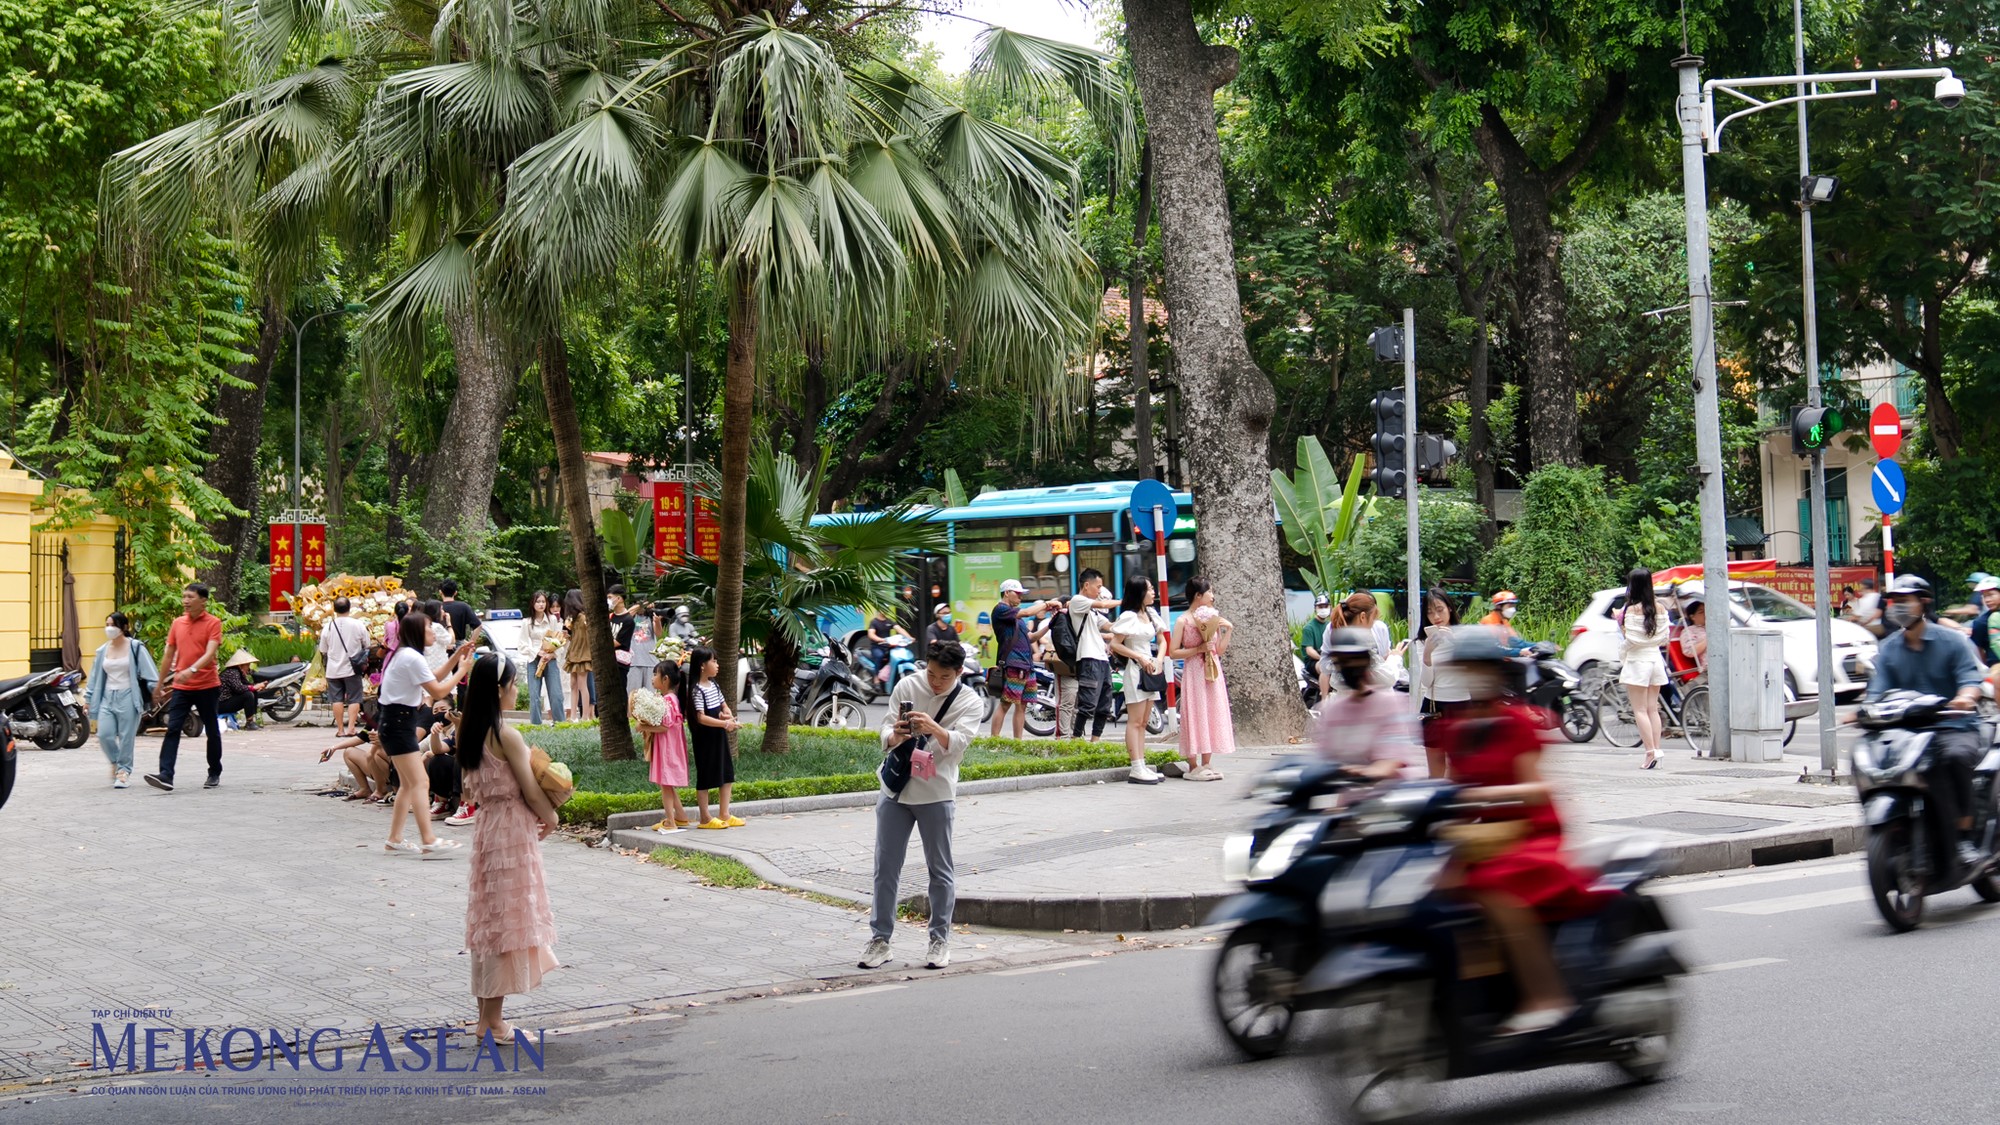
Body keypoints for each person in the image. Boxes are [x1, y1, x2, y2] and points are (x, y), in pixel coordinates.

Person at [1437, 627, 1607, 1036]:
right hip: (1483, 839)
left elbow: (1538, 789)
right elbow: (1449, 789)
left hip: (1531, 834)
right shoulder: (1456, 730)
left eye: (1480, 670)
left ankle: (1546, 996)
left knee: (1497, 888)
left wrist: (1493, 794)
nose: (1474, 679)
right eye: (1467, 671)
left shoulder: (1516, 723)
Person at [454, 652, 561, 1047]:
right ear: (499, 689)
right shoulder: (505, 734)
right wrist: (551, 816)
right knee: (505, 922)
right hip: (511, 830)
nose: (517, 690)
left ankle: (486, 1019)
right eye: (514, 684)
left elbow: (468, 788)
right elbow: (530, 790)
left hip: (487, 829)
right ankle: (495, 1022)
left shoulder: (469, 730)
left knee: (489, 920)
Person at [857, 640, 982, 972]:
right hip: (896, 791)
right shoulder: (908, 685)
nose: (935, 682)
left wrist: (935, 728)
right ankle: (880, 940)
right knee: (885, 868)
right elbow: (884, 727)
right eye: (931, 673)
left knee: (940, 871)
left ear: (959, 672)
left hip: (937, 792)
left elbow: (959, 744)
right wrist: (894, 736)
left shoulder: (970, 701)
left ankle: (939, 939)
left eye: (943, 677)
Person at [1871, 576, 1987, 870]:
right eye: (1894, 602)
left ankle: (1963, 835)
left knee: (1954, 758)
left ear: (1923, 603)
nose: (1898, 607)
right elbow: (1877, 691)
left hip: (1954, 727)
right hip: (1907, 733)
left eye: (1904, 601)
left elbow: (1969, 680)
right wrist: (1862, 709)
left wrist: (1965, 696)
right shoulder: (1888, 648)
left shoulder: (1952, 641)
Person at [379, 613, 477, 855]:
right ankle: (429, 840)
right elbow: (439, 688)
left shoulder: (406, 655)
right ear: (417, 633)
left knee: (408, 784)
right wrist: (463, 668)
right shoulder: (411, 657)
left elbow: (434, 677)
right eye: (429, 628)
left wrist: (456, 656)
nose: (435, 632)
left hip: (395, 723)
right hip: (399, 725)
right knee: (420, 782)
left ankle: (395, 838)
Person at [144, 583, 226, 793]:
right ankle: (166, 775)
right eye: (184, 597)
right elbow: (169, 654)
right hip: (182, 686)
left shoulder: (213, 623)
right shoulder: (177, 623)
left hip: (207, 685)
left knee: (212, 731)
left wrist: (192, 669)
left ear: (203, 600)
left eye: (190, 597)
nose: (186, 601)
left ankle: (214, 771)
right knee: (173, 728)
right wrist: (160, 684)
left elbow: (210, 653)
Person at [1314, 628, 1421, 779]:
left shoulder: (1390, 705)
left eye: (1355, 659)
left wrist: (1358, 772)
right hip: (1349, 794)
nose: (1349, 667)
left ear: (1367, 661)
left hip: (1389, 794)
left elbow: (1389, 762)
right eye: (1342, 661)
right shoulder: (1332, 711)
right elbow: (1323, 757)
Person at [1169, 577, 1234, 781]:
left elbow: (1219, 650)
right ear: (1198, 596)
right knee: (1195, 713)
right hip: (1194, 671)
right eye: (1209, 592)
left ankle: (1206, 762)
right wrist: (1197, 649)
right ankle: (1193, 764)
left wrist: (1227, 630)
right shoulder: (1183, 621)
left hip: (1212, 670)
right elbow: (1173, 652)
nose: (1212, 596)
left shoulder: (1212, 618)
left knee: (1211, 712)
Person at [1108, 575, 1168, 784]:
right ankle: (1136, 767)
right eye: (1150, 589)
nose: (1153, 592)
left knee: (1144, 721)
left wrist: (1159, 660)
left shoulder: (1151, 614)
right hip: (1135, 671)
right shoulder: (1129, 616)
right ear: (1139, 593)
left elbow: (1162, 640)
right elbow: (1115, 644)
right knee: (1135, 721)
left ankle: (1143, 765)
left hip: (1151, 670)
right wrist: (1140, 657)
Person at [87, 612, 157, 789]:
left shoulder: (135, 647)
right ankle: (116, 763)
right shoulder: (102, 650)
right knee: (104, 734)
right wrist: (88, 698)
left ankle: (124, 772)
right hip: (107, 697)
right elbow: (95, 677)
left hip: (128, 696)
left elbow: (150, 673)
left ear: (124, 627)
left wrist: (155, 689)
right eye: (107, 624)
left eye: (113, 625)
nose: (109, 628)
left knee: (126, 737)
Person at [1616, 569, 1673, 770]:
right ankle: (1657, 748)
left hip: (1638, 662)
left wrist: (1621, 651)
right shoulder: (1661, 608)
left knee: (1639, 709)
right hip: (1655, 660)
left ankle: (1650, 752)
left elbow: (1631, 640)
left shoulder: (1631, 610)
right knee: (1652, 708)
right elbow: (1664, 638)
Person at [683, 647, 743, 829]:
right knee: (706, 775)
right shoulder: (695, 690)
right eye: (714, 661)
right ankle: (705, 817)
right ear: (702, 665)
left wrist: (727, 714)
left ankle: (724, 813)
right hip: (705, 739)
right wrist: (725, 724)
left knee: (726, 773)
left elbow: (723, 705)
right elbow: (701, 717)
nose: (717, 665)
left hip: (718, 736)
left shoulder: (714, 685)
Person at [989, 579, 1053, 740]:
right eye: (1017, 594)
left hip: (1027, 665)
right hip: (1014, 664)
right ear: (1007, 593)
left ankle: (1018, 742)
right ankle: (994, 740)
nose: (1020, 598)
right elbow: (1026, 612)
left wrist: (1050, 624)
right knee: (1006, 703)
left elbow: (1031, 637)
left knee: (1023, 705)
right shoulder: (1001, 609)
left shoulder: (1016, 618)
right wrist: (1047, 604)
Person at [1412, 589, 1466, 778]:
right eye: (1429, 612)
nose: (1435, 616)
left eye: (1439, 609)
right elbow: (1427, 682)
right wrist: (1427, 654)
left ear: (1449, 608)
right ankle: (1435, 805)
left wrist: (1455, 644)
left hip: (1463, 706)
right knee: (1435, 771)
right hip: (1435, 706)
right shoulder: (1423, 641)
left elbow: (1471, 674)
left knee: (1460, 769)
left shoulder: (1465, 635)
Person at [1065, 568, 1118, 742]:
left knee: (1104, 706)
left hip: (1102, 660)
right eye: (1098, 587)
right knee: (1088, 704)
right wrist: (1124, 601)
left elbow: (1110, 626)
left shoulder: (1092, 611)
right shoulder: (1077, 601)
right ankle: (1076, 739)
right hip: (1088, 659)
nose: (1100, 591)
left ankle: (1095, 742)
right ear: (1086, 585)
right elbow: (1103, 605)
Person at [638, 661, 692, 832]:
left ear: (665, 679)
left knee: (665, 784)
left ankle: (670, 821)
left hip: (667, 748)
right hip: (671, 746)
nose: (653, 678)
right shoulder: (671, 699)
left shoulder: (668, 700)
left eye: (655, 675)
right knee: (668, 784)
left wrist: (643, 727)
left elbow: (664, 727)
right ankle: (681, 816)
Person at [1320, 591, 1399, 696]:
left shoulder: (1339, 636)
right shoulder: (1358, 644)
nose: (1373, 624)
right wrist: (1395, 658)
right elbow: (1387, 677)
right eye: (1373, 619)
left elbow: (1326, 666)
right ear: (1362, 617)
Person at [318, 596, 369, 737]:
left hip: (333, 670)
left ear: (334, 609)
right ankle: (351, 728)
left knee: (337, 699)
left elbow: (323, 650)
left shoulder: (328, 626)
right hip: (352, 669)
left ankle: (340, 730)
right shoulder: (358, 625)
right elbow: (367, 644)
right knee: (354, 698)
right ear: (349, 608)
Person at [519, 591, 567, 725]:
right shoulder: (526, 622)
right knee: (534, 696)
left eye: (543, 602)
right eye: (538, 601)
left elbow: (559, 641)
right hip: (533, 661)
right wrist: (537, 652)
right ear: (533, 604)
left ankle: (560, 725)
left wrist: (552, 654)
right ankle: (536, 726)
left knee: (556, 695)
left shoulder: (552, 619)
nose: (541, 604)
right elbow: (522, 645)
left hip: (550, 660)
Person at [217, 649, 276, 730]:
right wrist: (253, 687)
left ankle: (252, 720)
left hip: (226, 702)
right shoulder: (232, 672)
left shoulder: (238, 673)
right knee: (248, 695)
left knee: (252, 692)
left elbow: (247, 685)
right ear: (241, 665)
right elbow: (239, 688)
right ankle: (249, 722)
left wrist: (258, 686)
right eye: (247, 665)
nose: (248, 668)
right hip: (220, 704)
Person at [562, 588, 594, 721]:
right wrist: (568, 636)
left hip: (582, 655)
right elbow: (576, 637)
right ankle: (574, 716)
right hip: (574, 653)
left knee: (582, 685)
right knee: (573, 685)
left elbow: (587, 635)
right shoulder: (573, 619)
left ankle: (585, 716)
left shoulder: (583, 617)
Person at [627, 600, 660, 694]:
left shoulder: (650, 617)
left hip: (651, 662)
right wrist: (641, 604)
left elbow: (659, 633)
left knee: (650, 695)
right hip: (634, 662)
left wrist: (657, 621)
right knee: (633, 695)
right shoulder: (631, 617)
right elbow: (626, 614)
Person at [1968, 575, 2000, 668]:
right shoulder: (1980, 623)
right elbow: (1978, 649)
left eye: (1991, 595)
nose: (1987, 600)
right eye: (1984, 596)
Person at [437, 579, 481, 644]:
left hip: (441, 645)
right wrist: (471, 643)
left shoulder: (436, 607)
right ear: (455, 593)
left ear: (440, 592)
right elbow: (478, 626)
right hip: (458, 647)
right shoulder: (464, 606)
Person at [1678, 588, 1710, 673]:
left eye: (1706, 611)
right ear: (1692, 617)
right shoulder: (1689, 631)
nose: (1705, 614)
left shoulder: (1713, 627)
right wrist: (1709, 638)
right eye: (1701, 612)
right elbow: (1690, 652)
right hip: (1710, 666)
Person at [865, 610, 897, 685]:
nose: (885, 610)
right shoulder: (874, 622)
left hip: (887, 646)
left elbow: (899, 629)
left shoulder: (889, 621)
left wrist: (909, 637)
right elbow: (871, 634)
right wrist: (881, 639)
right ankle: (876, 678)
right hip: (877, 647)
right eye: (883, 608)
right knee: (879, 656)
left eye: (886, 608)